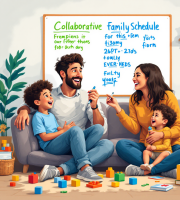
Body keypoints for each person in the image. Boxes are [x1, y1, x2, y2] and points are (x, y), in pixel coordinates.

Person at [15, 53, 114, 182]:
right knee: (75, 129)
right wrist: (23, 111)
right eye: (74, 70)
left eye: (80, 70)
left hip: (80, 144)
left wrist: (94, 107)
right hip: (59, 142)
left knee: (105, 141)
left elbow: (102, 127)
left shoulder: (86, 96)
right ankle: (84, 168)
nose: (79, 74)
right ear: (63, 74)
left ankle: (58, 170)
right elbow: (30, 104)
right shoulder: (51, 96)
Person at [106, 63, 180, 179]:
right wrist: (118, 109)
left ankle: (152, 169)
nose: (133, 78)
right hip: (148, 147)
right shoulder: (134, 99)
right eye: (133, 75)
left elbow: (179, 128)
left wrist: (161, 135)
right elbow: (135, 128)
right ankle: (165, 169)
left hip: (170, 147)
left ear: (149, 78)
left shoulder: (168, 96)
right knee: (121, 145)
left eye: (137, 75)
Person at [140, 104, 177, 172]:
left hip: (164, 153)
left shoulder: (166, 130)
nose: (152, 117)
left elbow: (166, 146)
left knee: (165, 153)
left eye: (156, 115)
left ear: (164, 121)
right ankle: (146, 164)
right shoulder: (151, 130)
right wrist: (148, 146)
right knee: (145, 151)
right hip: (154, 153)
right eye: (153, 115)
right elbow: (147, 141)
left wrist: (155, 147)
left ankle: (152, 166)